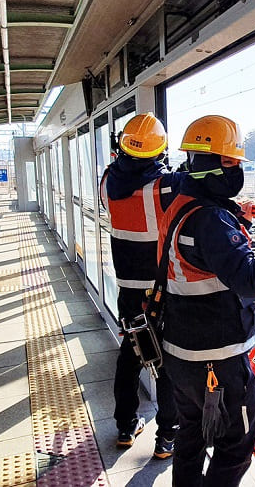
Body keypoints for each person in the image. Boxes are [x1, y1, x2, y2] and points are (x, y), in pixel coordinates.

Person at [158, 115, 255, 486]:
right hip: (217, 362)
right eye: (230, 161)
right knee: (234, 447)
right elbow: (249, 279)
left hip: (180, 354)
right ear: (208, 163)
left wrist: (233, 219)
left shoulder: (181, 205)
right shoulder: (211, 218)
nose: (238, 169)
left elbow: (207, 258)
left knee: (191, 437)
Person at [100, 113, 182, 458]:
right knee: (167, 362)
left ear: (122, 144)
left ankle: (125, 426)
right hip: (161, 292)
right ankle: (166, 437)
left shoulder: (107, 180)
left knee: (131, 354)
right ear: (159, 149)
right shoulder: (162, 186)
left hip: (128, 289)